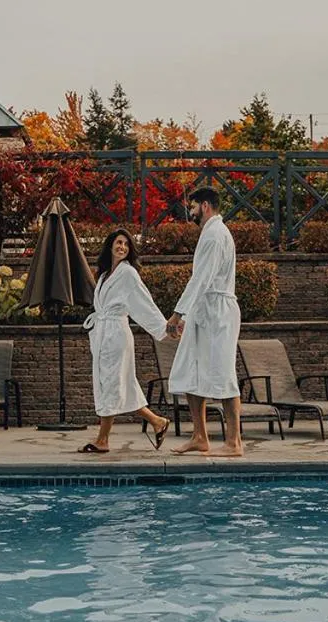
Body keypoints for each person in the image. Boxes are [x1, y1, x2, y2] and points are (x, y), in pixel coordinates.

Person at [77, 228, 173, 454]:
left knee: (111, 384)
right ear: (110, 245)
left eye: (126, 245)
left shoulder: (128, 273)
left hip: (116, 336)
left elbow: (143, 301)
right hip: (104, 334)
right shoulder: (103, 275)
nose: (122, 247)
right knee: (120, 386)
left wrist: (163, 327)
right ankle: (158, 422)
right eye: (118, 243)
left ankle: (102, 440)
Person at [165, 187, 243, 457]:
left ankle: (234, 442)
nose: (191, 211)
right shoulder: (210, 233)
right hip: (204, 310)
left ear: (206, 206)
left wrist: (178, 313)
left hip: (218, 313)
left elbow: (202, 279)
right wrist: (190, 314)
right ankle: (200, 436)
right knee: (189, 372)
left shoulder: (216, 235)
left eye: (193, 206)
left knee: (223, 374)